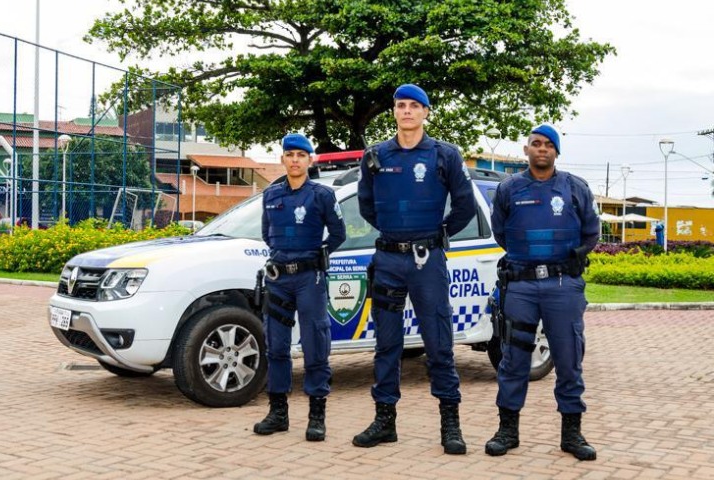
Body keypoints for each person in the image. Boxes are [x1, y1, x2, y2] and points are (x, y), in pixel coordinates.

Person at [353, 84, 477, 454]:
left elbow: (465, 206)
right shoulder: (375, 156)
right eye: (400, 105)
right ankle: (384, 421)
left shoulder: (444, 155)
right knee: (386, 344)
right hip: (388, 261)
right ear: (393, 112)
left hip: (428, 261)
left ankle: (450, 424)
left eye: (414, 106)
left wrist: (435, 236)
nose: (406, 111)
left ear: (425, 112)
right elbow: (366, 207)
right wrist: (397, 233)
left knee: (439, 343)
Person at [485, 124, 600, 461]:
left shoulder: (575, 188)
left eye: (549, 145)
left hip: (562, 287)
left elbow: (591, 232)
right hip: (520, 286)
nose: (542, 149)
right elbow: (501, 232)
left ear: (557, 152)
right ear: (526, 150)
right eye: (536, 144)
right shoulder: (509, 189)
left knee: (568, 359)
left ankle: (572, 433)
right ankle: (507, 430)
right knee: (513, 359)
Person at [253, 133, 346, 441]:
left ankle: (316, 417)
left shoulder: (322, 195)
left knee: (314, 345)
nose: (294, 160)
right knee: (276, 347)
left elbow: (338, 233)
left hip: (310, 280)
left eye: (300, 155)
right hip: (279, 279)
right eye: (290, 154)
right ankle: (278, 413)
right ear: (283, 159)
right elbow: (268, 234)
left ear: (310, 160)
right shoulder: (271, 194)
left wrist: (319, 254)